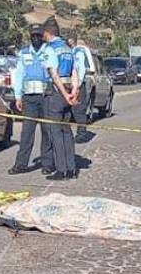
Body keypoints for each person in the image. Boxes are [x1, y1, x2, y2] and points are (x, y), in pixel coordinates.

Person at [8, 23, 52, 175]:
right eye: (33, 36)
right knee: (27, 132)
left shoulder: (48, 51)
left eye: (38, 36)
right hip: (29, 99)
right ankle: (21, 164)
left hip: (46, 97)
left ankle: (47, 164)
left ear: (42, 37)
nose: (36, 39)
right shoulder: (24, 53)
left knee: (47, 131)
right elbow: (19, 75)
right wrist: (18, 97)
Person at [41, 17, 77, 180]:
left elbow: (54, 75)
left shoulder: (50, 49)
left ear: (47, 33)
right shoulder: (68, 49)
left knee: (55, 131)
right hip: (69, 90)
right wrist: (73, 93)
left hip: (56, 93)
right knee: (67, 131)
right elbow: (74, 72)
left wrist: (63, 93)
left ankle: (61, 170)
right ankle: (72, 168)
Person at [69, 37, 94, 143]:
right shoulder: (74, 51)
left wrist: (78, 85)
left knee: (79, 110)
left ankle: (81, 134)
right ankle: (79, 133)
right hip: (76, 84)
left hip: (79, 84)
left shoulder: (79, 51)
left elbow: (81, 69)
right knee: (75, 110)